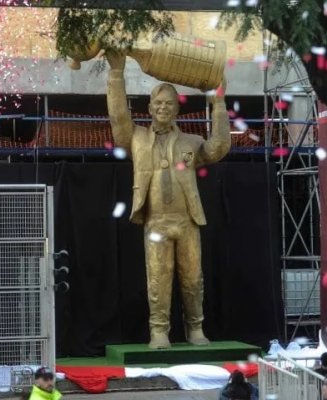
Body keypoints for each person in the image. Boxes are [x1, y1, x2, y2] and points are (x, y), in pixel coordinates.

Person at [106, 52, 231, 349]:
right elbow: (119, 118)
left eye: (169, 104)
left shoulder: (190, 141)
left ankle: (195, 329)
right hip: (156, 222)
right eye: (158, 103)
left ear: (177, 109)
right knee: (158, 280)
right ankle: (158, 331)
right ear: (149, 108)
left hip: (187, 221)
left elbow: (218, 148)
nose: (163, 108)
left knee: (193, 279)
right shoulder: (135, 138)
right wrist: (116, 75)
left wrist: (219, 102)